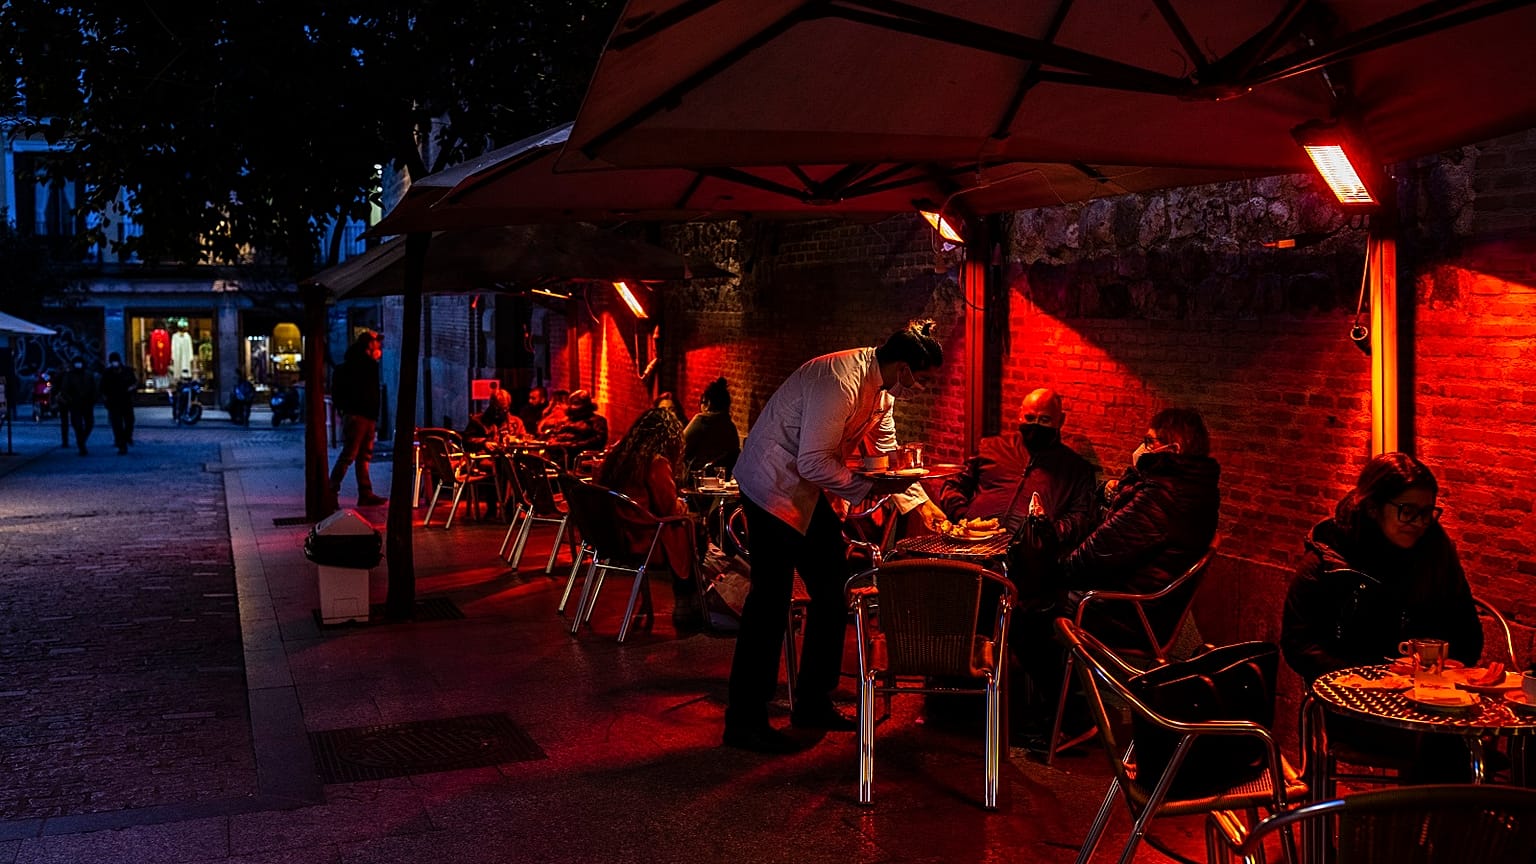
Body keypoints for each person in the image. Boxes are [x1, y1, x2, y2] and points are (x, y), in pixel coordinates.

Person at [724, 319, 949, 754]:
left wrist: (921, 503)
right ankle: (744, 720)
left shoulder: (882, 393)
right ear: (904, 368)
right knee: (770, 602)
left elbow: (888, 455)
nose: (920, 387)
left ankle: (812, 702)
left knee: (832, 589)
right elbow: (812, 461)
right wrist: (866, 490)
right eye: (920, 378)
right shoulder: (839, 381)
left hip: (806, 494)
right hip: (770, 486)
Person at [1016, 407, 1221, 746]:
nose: (1142, 447)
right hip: (1141, 595)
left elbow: (1097, 555)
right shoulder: (1192, 486)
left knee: (1029, 611)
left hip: (1129, 610)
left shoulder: (1162, 497)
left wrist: (1052, 570)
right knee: (1039, 596)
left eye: (1150, 441)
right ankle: (1061, 708)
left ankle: (1073, 718)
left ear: (1175, 449)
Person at [1281, 452, 1481, 781]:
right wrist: (1370, 677)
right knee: (1440, 743)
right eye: (1408, 512)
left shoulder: (1435, 554)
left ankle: (1442, 825)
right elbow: (1299, 644)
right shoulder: (1328, 563)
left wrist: (1444, 664)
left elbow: (1468, 635)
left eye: (1428, 512)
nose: (1419, 523)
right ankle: (1420, 826)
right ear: (1374, 507)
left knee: (1464, 735)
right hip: (1352, 701)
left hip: (1429, 696)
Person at [937, 388, 1097, 543]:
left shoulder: (1076, 469)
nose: (1036, 424)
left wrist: (1048, 533)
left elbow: (1081, 517)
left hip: (1029, 554)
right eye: (1030, 418)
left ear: (1060, 420)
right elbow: (953, 486)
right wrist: (962, 515)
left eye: (1045, 420)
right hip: (972, 541)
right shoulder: (992, 447)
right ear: (1020, 415)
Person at [598, 408, 706, 632]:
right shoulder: (655, 463)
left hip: (614, 534)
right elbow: (669, 508)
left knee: (686, 526)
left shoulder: (617, 456)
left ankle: (691, 600)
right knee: (694, 528)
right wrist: (682, 503)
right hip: (644, 539)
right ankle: (690, 601)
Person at [328, 331, 387, 507]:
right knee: (351, 455)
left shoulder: (354, 365)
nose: (379, 347)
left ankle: (365, 492)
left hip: (363, 415)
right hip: (359, 416)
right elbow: (368, 392)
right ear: (369, 345)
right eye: (376, 343)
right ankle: (331, 491)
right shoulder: (365, 366)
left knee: (362, 456)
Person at [682, 377, 741, 475]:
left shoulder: (702, 421)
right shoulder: (730, 426)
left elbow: (680, 445)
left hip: (698, 478)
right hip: (723, 479)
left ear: (708, 403)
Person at [544, 389, 608, 456]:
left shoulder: (597, 421)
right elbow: (554, 433)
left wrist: (566, 445)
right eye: (571, 404)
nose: (573, 407)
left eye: (576, 404)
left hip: (576, 458)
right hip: (557, 455)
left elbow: (598, 442)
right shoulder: (567, 420)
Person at [464, 388, 527, 452]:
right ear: (492, 405)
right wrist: (483, 443)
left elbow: (524, 440)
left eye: (505, 408)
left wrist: (515, 440)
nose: (502, 412)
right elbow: (467, 441)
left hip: (511, 459)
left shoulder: (517, 422)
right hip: (485, 459)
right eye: (498, 409)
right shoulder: (477, 421)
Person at [101, 352, 138, 455]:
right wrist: (105, 399)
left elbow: (135, 383)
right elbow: (103, 388)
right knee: (117, 425)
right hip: (113, 402)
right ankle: (122, 444)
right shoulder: (107, 373)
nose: (115, 363)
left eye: (115, 361)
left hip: (126, 400)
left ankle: (127, 437)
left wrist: (132, 389)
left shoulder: (127, 371)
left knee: (130, 421)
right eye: (113, 361)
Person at [61, 359, 98, 456]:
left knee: (89, 424)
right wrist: (70, 400)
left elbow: (94, 388)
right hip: (75, 404)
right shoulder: (69, 376)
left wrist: (93, 400)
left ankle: (81, 440)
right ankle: (81, 445)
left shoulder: (88, 375)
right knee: (78, 426)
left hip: (87, 403)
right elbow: (64, 390)